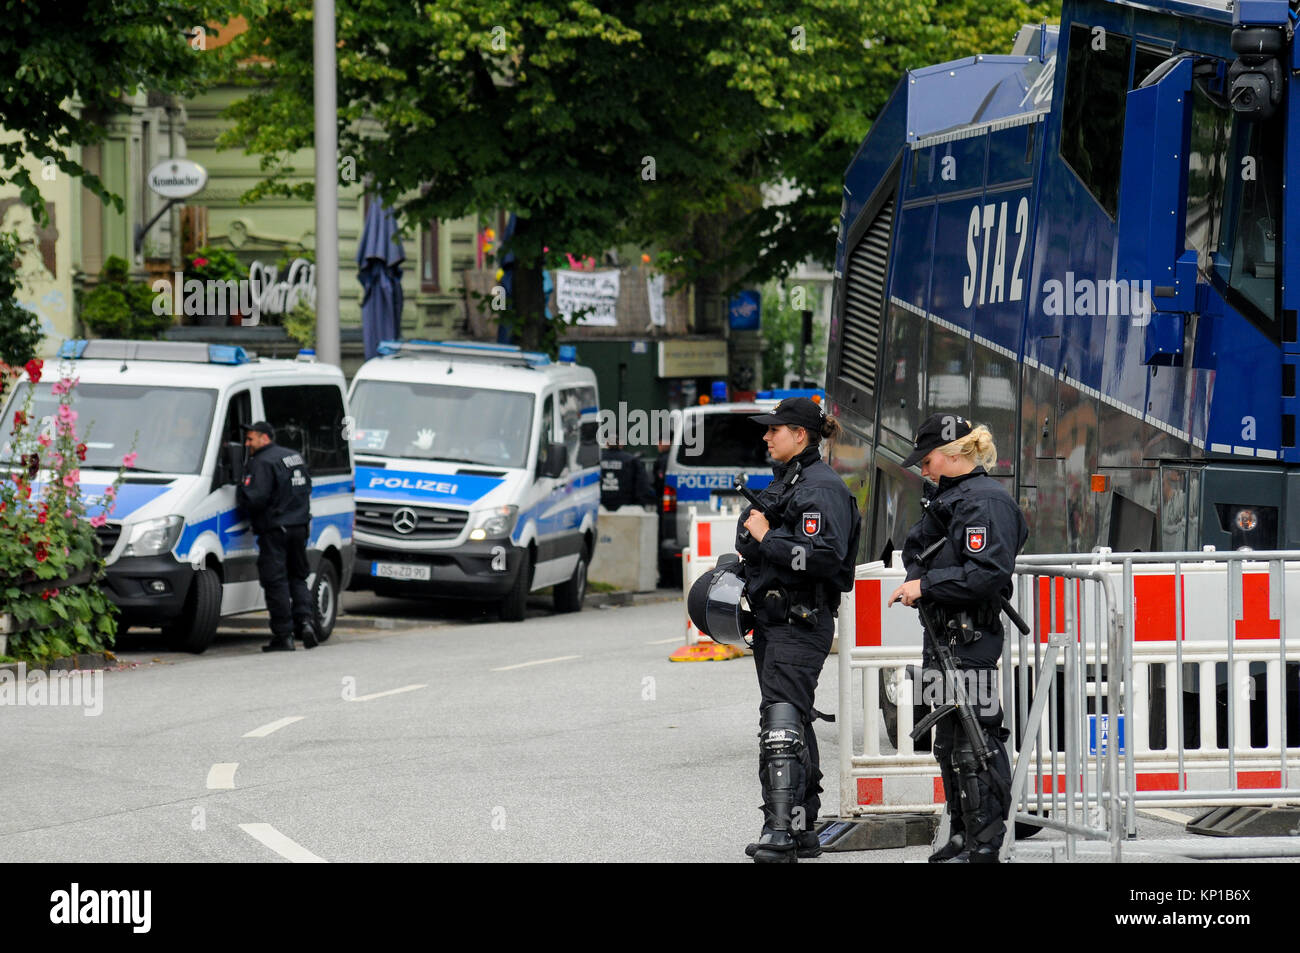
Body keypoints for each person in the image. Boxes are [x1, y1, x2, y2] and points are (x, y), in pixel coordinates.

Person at [887, 413, 1028, 863]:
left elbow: (986, 574)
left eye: (926, 460)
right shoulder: (947, 498)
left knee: (976, 740)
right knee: (948, 741)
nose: (921, 470)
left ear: (952, 455)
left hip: (970, 635)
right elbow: (915, 549)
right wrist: (921, 579)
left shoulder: (985, 503)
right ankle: (962, 833)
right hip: (942, 634)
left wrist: (926, 586)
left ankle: (986, 842)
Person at [734, 396, 860, 863]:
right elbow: (750, 536)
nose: (767, 436)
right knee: (791, 718)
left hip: (799, 619)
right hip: (774, 620)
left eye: (775, 429)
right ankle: (803, 830)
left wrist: (768, 538)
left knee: (782, 721)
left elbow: (823, 556)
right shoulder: (789, 480)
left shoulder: (821, 488)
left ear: (800, 435)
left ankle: (781, 832)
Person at [236, 421, 318, 652]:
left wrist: (241, 491)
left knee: (276, 581)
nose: (247, 443)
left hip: (275, 530)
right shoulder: (294, 457)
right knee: (298, 577)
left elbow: (255, 498)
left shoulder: (261, 462)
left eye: (251, 439)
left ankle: (284, 635)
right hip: (299, 527)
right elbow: (307, 487)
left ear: (265, 438)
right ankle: (305, 623)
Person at [599, 442, 655, 510]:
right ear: (621, 444)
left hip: (601, 507)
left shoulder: (598, 460)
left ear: (607, 443)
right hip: (626, 508)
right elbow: (642, 486)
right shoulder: (631, 460)